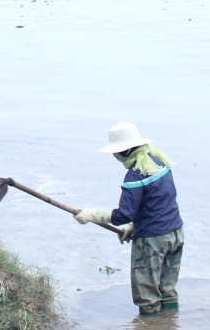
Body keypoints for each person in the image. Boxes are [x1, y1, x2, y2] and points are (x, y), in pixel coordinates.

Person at [74, 122, 184, 316]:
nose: (116, 157)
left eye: (117, 153)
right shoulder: (160, 163)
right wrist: (134, 226)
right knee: (167, 290)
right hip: (175, 233)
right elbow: (160, 202)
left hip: (152, 240)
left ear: (126, 150)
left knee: (147, 296)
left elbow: (123, 214)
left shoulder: (135, 176)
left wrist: (92, 215)